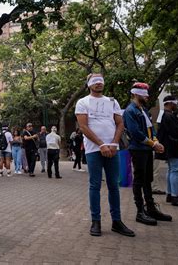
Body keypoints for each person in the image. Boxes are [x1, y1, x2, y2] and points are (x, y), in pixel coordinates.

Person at [76, 73, 135, 237]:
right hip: (94, 149)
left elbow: (120, 123)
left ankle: (117, 221)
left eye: (101, 81)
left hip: (113, 149)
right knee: (95, 185)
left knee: (113, 185)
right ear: (89, 84)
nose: (98, 83)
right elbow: (83, 127)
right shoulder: (82, 102)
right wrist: (101, 144)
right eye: (95, 81)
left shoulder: (112, 101)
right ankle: (96, 221)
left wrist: (114, 143)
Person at [123, 82, 172, 226]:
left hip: (147, 149)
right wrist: (153, 144)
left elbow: (151, 129)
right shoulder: (130, 111)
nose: (148, 96)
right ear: (136, 94)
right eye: (145, 94)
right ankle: (140, 211)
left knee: (147, 179)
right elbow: (135, 133)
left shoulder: (144, 110)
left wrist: (155, 140)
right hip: (138, 149)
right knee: (138, 180)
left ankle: (150, 208)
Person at [156, 95, 178, 208]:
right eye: (175, 103)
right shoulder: (169, 116)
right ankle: (175, 196)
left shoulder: (164, 116)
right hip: (174, 147)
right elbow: (175, 132)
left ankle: (170, 194)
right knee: (175, 170)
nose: (177, 105)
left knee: (171, 170)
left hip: (170, 147)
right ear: (170, 103)